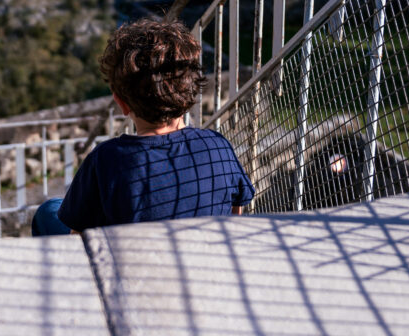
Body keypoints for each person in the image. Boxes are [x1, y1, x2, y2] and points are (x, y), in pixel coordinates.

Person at [32, 18, 254, 236]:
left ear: (121, 103)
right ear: (190, 93)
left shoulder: (105, 160)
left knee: (48, 212)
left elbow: (79, 241)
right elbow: (235, 215)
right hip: (204, 262)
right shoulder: (217, 146)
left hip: (130, 267)